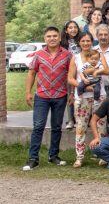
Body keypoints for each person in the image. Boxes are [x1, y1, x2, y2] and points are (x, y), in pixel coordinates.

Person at [22, 26, 72, 171]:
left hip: (60, 96)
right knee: (38, 127)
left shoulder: (67, 55)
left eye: (55, 36)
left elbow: (71, 76)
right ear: (45, 39)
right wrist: (28, 92)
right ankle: (33, 159)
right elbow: (31, 73)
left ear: (60, 38)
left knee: (57, 127)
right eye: (49, 36)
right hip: (42, 97)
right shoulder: (38, 55)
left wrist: (72, 95)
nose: (52, 38)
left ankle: (53, 156)